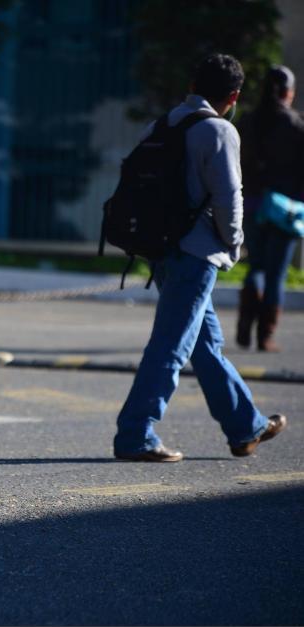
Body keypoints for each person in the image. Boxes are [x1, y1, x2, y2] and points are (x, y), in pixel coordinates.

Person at [113, 54, 287, 462]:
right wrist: (234, 244)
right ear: (234, 96)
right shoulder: (219, 131)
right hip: (197, 253)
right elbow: (229, 197)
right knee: (171, 346)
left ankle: (245, 426)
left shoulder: (161, 125)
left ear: (192, 85)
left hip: (161, 250)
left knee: (206, 346)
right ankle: (135, 434)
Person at [235, 65, 304, 352]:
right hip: (285, 208)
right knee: (276, 273)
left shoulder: (248, 121)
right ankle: (265, 335)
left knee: (257, 266)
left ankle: (245, 321)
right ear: (289, 92)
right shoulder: (296, 124)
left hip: (252, 204)